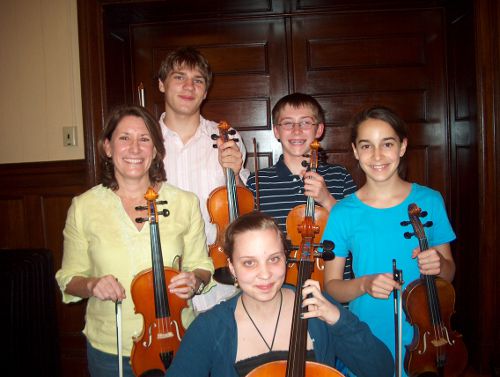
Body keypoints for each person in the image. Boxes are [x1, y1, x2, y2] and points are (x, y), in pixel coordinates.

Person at [55, 105, 214, 377]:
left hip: (179, 341)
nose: (135, 148)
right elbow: (69, 278)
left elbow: (202, 266)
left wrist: (195, 280)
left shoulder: (185, 203)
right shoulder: (84, 207)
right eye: (124, 138)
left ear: (155, 150)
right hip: (111, 348)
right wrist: (92, 284)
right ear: (107, 147)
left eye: (144, 139)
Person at [165, 211, 394, 377]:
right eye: (249, 263)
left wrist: (338, 319)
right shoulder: (210, 327)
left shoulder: (318, 309)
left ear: (286, 258)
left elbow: (381, 369)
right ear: (232, 268)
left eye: (274, 259)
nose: (265, 274)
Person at [322, 106, 457, 376]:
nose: (378, 156)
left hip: (426, 339)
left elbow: (449, 273)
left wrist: (439, 265)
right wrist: (364, 283)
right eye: (366, 146)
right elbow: (332, 286)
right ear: (356, 151)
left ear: (403, 146)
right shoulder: (342, 212)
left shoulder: (430, 200)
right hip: (367, 335)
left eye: (387, 144)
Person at [157, 47, 250, 310]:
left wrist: (234, 173)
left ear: (205, 91)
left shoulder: (227, 137)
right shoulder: (145, 141)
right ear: (161, 84)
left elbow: (244, 208)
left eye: (198, 80)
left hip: (219, 270)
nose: (189, 86)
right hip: (164, 269)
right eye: (179, 77)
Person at [245, 92, 356, 279]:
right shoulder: (258, 181)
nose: (296, 130)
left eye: (305, 122)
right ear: (276, 131)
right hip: (279, 287)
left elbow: (357, 232)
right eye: (287, 123)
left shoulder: (340, 176)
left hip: (334, 289)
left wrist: (327, 200)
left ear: (319, 130)